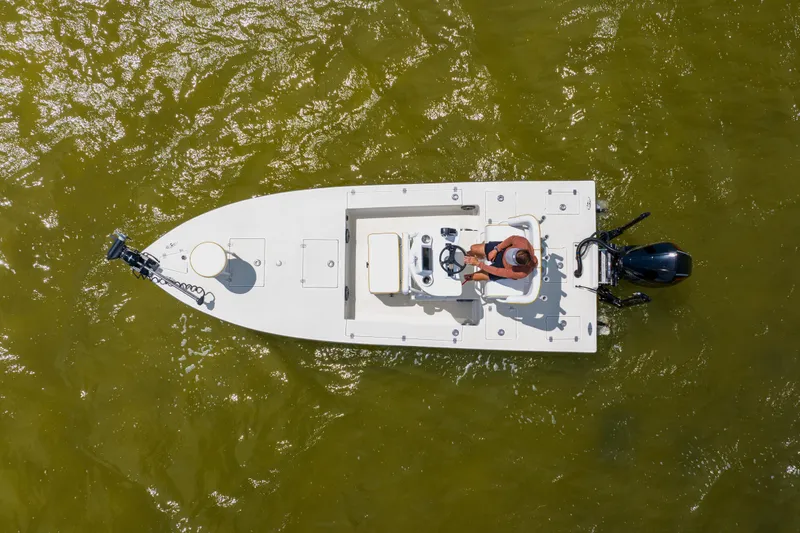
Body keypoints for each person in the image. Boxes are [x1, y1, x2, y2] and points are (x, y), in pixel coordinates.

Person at [462, 235, 537, 284]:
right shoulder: (522, 242)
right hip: (502, 250)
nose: (506, 257)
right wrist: (496, 250)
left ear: (517, 265)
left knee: (475, 277)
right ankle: (479, 256)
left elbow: (497, 271)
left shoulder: (521, 273)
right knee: (473, 248)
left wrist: (478, 264)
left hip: (503, 267)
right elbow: (511, 239)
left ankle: (473, 269)